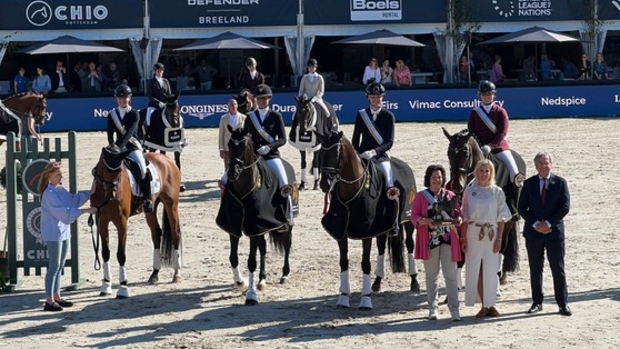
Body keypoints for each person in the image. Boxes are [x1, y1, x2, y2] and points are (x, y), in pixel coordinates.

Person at [518, 152, 571, 316]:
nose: (544, 166)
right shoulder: (528, 183)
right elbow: (521, 208)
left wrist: (548, 224)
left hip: (553, 232)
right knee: (535, 268)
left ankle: (562, 304)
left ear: (552, 164)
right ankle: (537, 302)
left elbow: (565, 207)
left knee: (558, 268)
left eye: (547, 163)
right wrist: (536, 224)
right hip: (534, 233)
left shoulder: (560, 183)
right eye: (541, 163)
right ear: (536, 166)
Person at [39, 161, 97, 311]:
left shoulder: (60, 189)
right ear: (49, 175)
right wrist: (85, 211)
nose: (61, 176)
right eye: (58, 174)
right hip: (53, 233)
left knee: (60, 266)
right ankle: (49, 300)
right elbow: (64, 213)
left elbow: (73, 200)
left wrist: (90, 193)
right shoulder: (49, 194)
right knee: (53, 267)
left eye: (62, 174)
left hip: (63, 231)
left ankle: (57, 296)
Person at [461, 160, 512, 318]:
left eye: (487, 171)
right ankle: (483, 304)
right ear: (477, 172)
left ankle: (491, 304)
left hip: (491, 233)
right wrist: (463, 237)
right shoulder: (469, 192)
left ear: (491, 173)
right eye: (481, 170)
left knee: (491, 268)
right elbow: (464, 215)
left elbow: (502, 217)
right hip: (473, 232)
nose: (484, 174)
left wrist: (499, 239)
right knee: (474, 267)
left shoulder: (497, 192)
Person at [411, 164, 462, 321]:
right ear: (428, 179)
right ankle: (433, 308)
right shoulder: (420, 197)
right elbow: (414, 216)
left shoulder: (450, 195)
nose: (436, 180)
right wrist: (423, 220)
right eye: (433, 177)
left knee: (451, 276)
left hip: (448, 241)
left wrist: (459, 219)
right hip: (430, 242)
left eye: (439, 177)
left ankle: (454, 309)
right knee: (432, 276)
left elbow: (459, 213)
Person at [239, 84, 293, 225]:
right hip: (254, 156)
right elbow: (246, 136)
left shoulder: (276, 116)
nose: (262, 101)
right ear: (256, 100)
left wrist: (269, 147)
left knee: (284, 183)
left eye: (265, 98)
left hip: (271, 156)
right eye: (259, 99)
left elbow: (282, 139)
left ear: (269, 99)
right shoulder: (250, 117)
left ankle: (288, 215)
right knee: (229, 178)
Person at [468, 80, 524, 187]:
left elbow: (503, 132)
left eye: (489, 94)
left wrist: (490, 146)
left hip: (498, 147)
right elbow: (471, 131)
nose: (487, 97)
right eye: (484, 94)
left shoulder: (500, 111)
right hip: (479, 148)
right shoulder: (474, 112)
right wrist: (477, 146)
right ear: (480, 96)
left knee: (514, 171)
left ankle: (518, 189)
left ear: (494, 95)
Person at [107, 84, 153, 212]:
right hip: (117, 147)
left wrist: (119, 147)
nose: (122, 100)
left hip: (132, 147)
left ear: (129, 98)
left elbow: (129, 134)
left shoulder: (134, 114)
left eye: (124, 98)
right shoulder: (112, 114)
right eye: (119, 98)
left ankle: (147, 198)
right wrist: (112, 146)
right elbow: (110, 134)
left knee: (143, 168)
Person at [351, 82, 399, 200]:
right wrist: (357, 154)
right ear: (368, 98)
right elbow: (355, 139)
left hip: (380, 156)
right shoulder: (361, 115)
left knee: (388, 178)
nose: (375, 100)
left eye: (378, 97)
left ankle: (391, 208)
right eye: (373, 97)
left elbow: (389, 142)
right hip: (362, 155)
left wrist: (374, 152)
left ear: (382, 97)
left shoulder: (389, 116)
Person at [218, 98, 247, 169]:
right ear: (228, 107)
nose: (233, 106)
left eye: (234, 104)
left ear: (237, 106)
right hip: (228, 146)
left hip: (239, 146)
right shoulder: (223, 118)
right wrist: (221, 149)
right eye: (231, 105)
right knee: (227, 166)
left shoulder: (244, 118)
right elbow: (221, 134)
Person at [146, 62, 172, 127]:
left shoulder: (166, 81)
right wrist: (159, 103)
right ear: (155, 71)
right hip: (153, 105)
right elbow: (150, 96)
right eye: (158, 70)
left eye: (161, 70)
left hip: (165, 105)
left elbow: (169, 94)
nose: (160, 72)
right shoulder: (151, 81)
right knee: (148, 120)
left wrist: (169, 102)